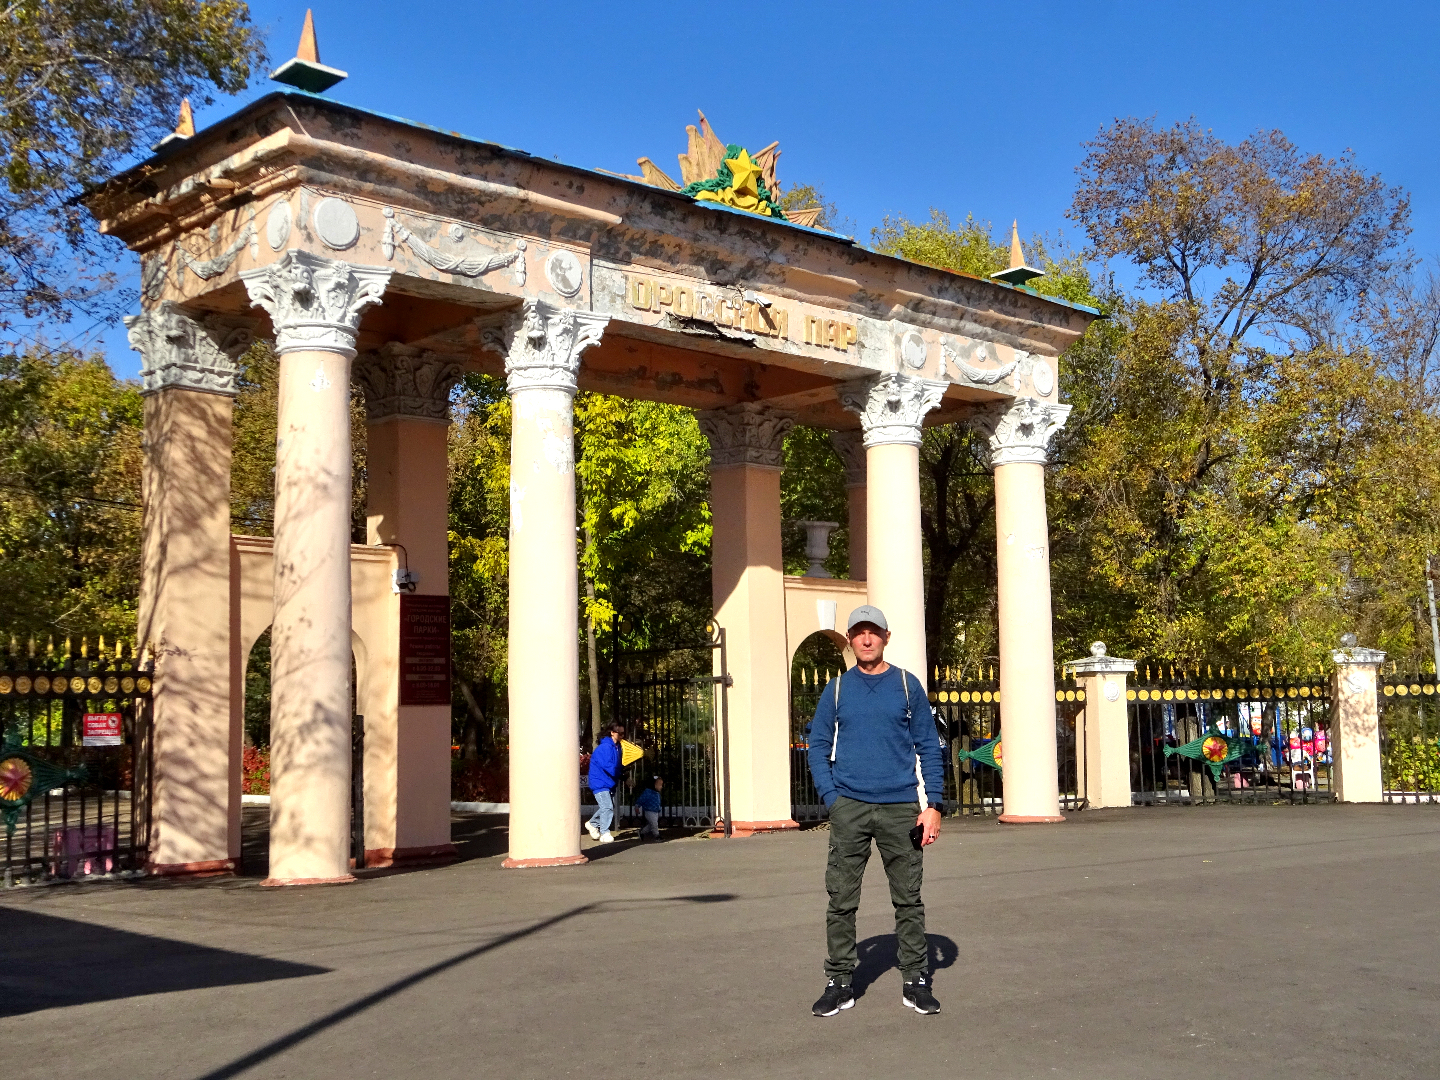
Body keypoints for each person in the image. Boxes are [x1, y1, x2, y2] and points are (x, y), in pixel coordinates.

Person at [806, 605, 946, 1018]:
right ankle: (840, 981)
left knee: (908, 899)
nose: (866, 640)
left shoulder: (906, 685)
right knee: (841, 899)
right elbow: (816, 748)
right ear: (850, 640)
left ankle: (916, 979)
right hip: (850, 806)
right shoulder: (835, 690)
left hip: (902, 807)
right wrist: (833, 799)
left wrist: (933, 805)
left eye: (873, 633)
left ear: (886, 636)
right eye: (858, 633)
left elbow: (929, 747)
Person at [586, 722, 625, 843]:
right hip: (600, 782)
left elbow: (614, 767)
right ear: (612, 732)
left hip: (607, 782)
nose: (622, 736)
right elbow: (610, 767)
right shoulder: (605, 747)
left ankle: (592, 824)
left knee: (607, 807)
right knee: (607, 807)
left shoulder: (617, 747)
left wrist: (622, 772)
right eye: (621, 733)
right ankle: (604, 832)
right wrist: (623, 774)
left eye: (624, 733)